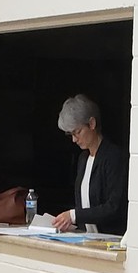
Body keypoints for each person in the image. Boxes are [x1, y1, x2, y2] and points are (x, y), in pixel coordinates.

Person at [54, 94, 127, 236]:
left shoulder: (113, 157)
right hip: (89, 237)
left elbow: (114, 206)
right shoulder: (83, 158)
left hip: (111, 239)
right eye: (71, 134)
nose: (74, 139)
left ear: (92, 124)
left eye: (78, 132)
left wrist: (74, 215)